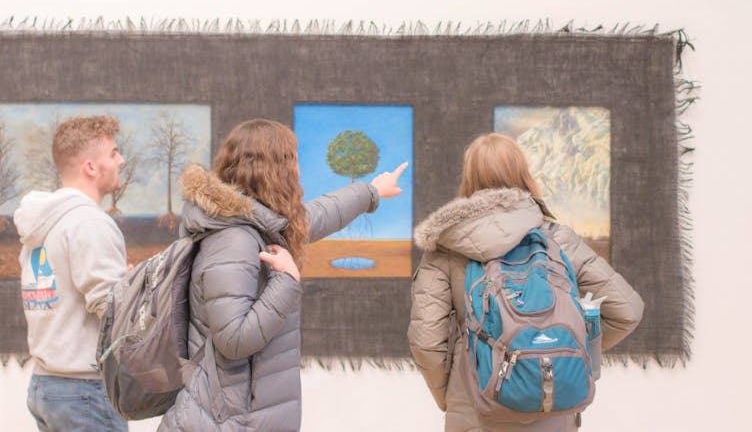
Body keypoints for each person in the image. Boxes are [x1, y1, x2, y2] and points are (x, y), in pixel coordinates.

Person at [159, 119, 407, 431]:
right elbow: (233, 339)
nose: (298, 173)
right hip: (228, 422)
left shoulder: (255, 224)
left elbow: (316, 215)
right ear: (273, 170)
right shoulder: (233, 240)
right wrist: (286, 280)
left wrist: (372, 192)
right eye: (292, 161)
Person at [408, 133, 644, 432]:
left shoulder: (445, 249)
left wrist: (453, 396)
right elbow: (627, 310)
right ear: (523, 173)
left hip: (475, 414)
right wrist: (565, 354)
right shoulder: (557, 239)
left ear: (469, 178)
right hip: (553, 410)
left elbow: (426, 341)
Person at [14, 115, 128, 432]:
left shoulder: (42, 224)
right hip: (85, 393)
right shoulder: (89, 223)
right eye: (113, 153)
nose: (121, 160)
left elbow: (68, 287)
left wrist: (123, 282)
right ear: (91, 167)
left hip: (46, 386)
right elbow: (113, 310)